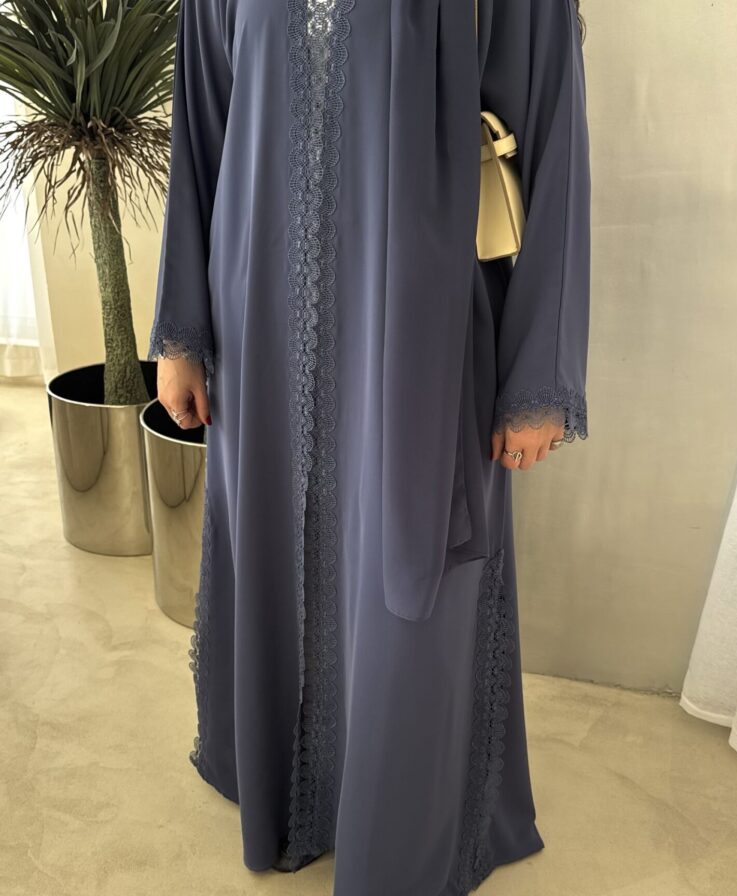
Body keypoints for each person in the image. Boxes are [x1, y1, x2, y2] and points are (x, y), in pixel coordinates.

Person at [148, 1, 591, 893]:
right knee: (276, 547)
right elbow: (201, 126)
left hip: (420, 331)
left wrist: (537, 375)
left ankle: (399, 831)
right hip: (258, 320)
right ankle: (290, 784)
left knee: (409, 574)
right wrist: (181, 331)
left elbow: (550, 139)